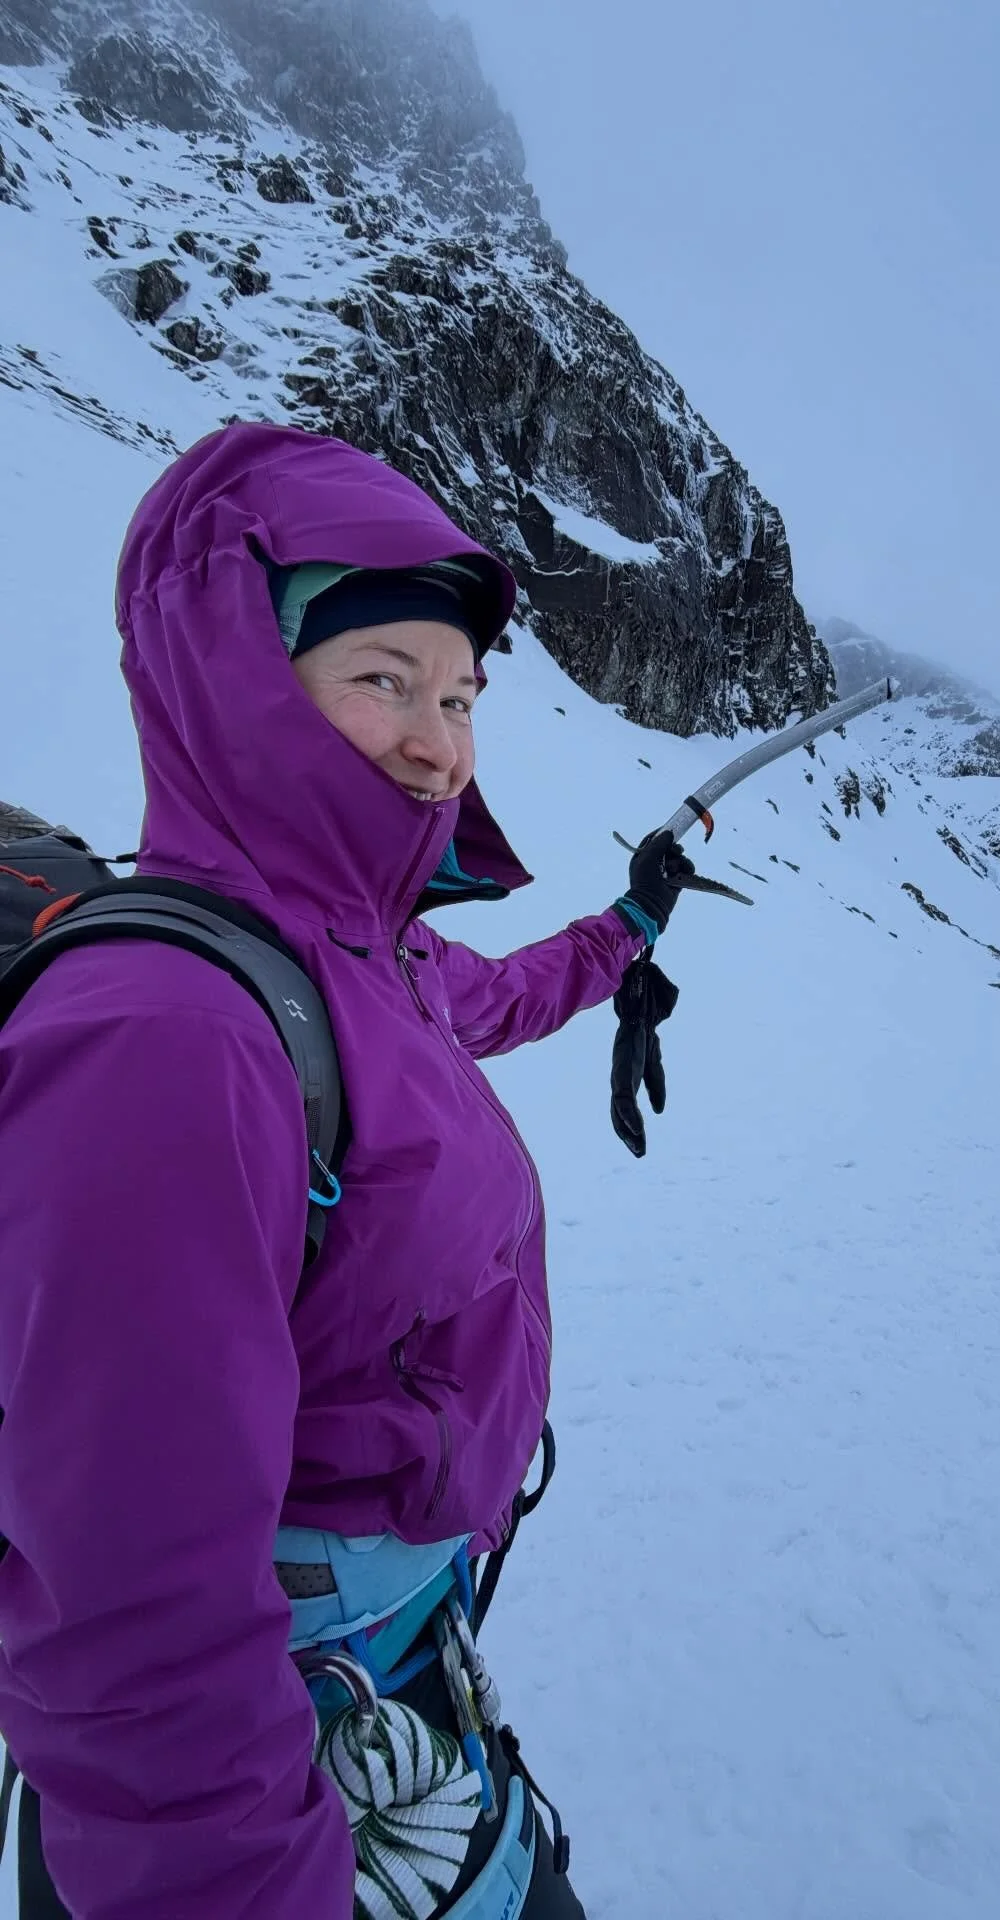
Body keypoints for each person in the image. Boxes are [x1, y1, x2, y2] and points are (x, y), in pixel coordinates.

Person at [0, 421, 691, 1919]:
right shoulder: (166, 1040)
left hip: (396, 1659)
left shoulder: (357, 951)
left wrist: (627, 935)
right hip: (278, 1739)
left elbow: (485, 1001)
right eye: (383, 679)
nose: (440, 741)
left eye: (457, 695)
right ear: (239, 675)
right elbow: (131, 1627)